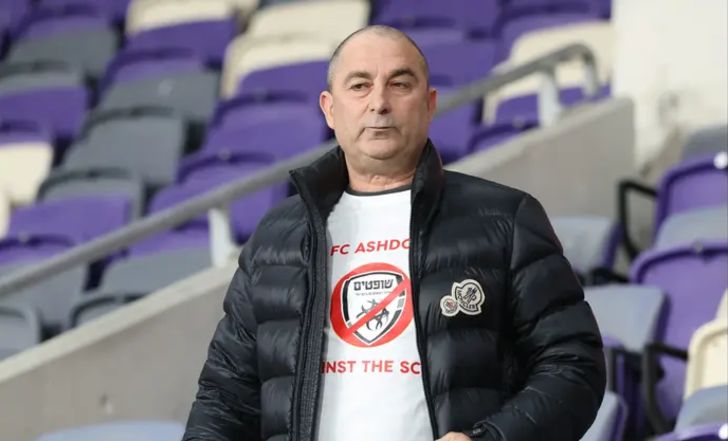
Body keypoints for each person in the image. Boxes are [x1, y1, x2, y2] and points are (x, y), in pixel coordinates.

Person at [183, 25, 606, 441]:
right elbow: (224, 397)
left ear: (429, 104)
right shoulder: (277, 239)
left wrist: (490, 438)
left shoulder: (505, 219)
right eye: (360, 86)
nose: (379, 103)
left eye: (400, 84)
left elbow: (573, 363)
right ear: (329, 109)